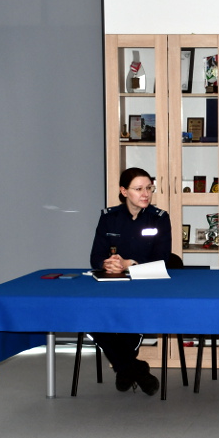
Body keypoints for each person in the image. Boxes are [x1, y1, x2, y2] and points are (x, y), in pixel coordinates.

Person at [88, 167, 172, 396]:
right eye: (139, 189)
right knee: (91, 316)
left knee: (133, 318)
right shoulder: (109, 218)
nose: (145, 194)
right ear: (124, 191)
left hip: (145, 287)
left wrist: (129, 264)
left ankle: (125, 368)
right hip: (112, 286)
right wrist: (108, 263)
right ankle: (135, 368)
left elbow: (162, 259)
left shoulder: (159, 218)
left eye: (149, 188)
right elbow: (95, 257)